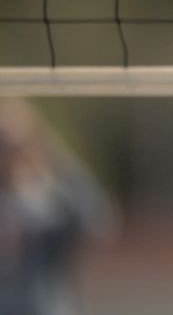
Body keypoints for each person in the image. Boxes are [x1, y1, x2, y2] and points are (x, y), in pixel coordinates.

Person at [0, 98, 116, 315]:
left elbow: (100, 218)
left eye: (16, 144)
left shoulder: (50, 203)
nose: (9, 152)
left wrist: (52, 149)